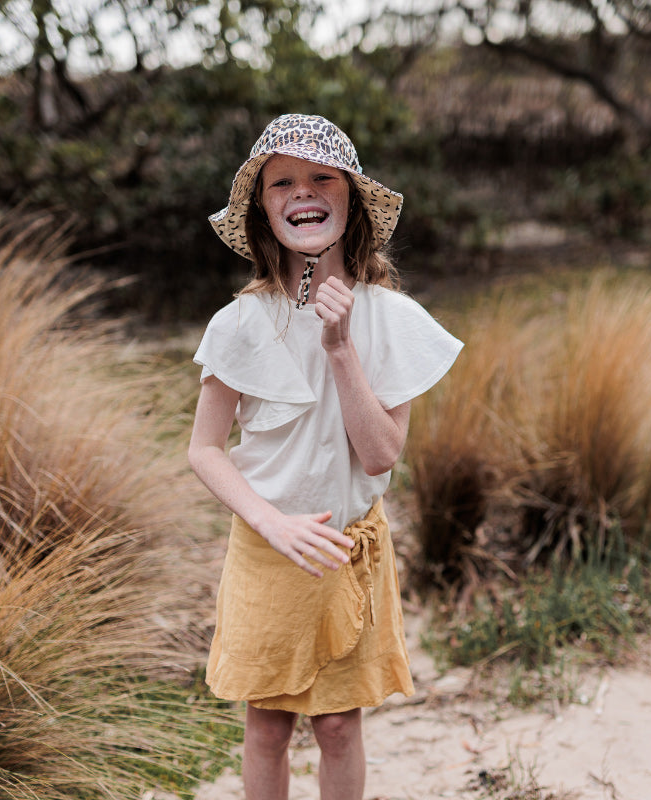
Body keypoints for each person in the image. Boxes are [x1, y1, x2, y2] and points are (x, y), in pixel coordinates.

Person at [188, 113, 463, 800]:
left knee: (339, 727)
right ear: (263, 211)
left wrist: (340, 348)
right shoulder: (239, 324)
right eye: (281, 182)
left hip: (348, 549)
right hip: (268, 549)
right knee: (267, 726)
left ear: (351, 201)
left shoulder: (391, 318)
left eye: (321, 178)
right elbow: (204, 450)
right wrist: (271, 523)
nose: (302, 191)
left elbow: (379, 457)